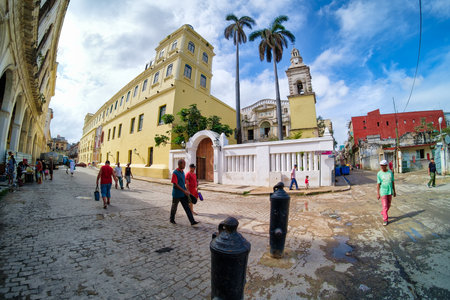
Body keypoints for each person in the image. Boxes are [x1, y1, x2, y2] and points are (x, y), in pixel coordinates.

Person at [170, 159, 199, 226]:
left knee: (187, 208)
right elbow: (175, 184)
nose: (185, 165)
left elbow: (183, 184)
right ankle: (172, 219)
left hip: (183, 194)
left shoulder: (183, 172)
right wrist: (184, 191)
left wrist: (187, 191)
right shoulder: (175, 173)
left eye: (185, 164)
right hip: (176, 194)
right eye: (184, 164)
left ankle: (192, 221)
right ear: (179, 164)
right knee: (174, 207)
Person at [377, 160, 396, 226]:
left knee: (389, 205)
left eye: (383, 165)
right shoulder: (379, 173)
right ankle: (385, 219)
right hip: (383, 191)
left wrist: (394, 191)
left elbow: (393, 182)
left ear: (386, 166)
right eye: (381, 165)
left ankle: (383, 212)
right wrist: (378, 193)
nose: (381, 166)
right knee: (385, 206)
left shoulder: (390, 172)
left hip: (390, 191)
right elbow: (378, 184)